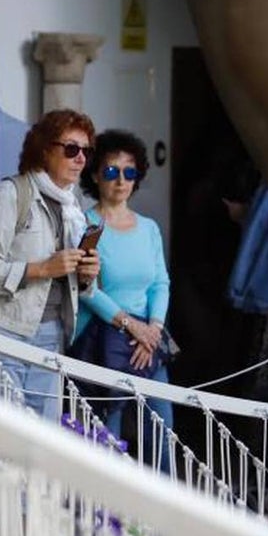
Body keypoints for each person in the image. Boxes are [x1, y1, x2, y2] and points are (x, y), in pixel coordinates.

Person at [72, 129, 173, 471]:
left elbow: (160, 282)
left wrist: (153, 330)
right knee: (106, 437)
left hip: (147, 345)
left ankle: (165, 517)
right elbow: (87, 290)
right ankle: (106, 519)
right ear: (96, 175)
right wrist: (132, 326)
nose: (120, 181)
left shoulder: (148, 229)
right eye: (112, 171)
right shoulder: (86, 224)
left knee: (162, 431)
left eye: (129, 172)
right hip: (105, 341)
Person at [0, 109, 100, 422]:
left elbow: (77, 285)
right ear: (44, 150)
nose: (80, 158)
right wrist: (41, 269)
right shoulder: (12, 194)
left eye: (85, 151)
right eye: (71, 149)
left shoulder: (73, 206)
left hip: (53, 331)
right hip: (7, 328)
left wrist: (86, 276)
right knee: (5, 431)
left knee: (43, 439)